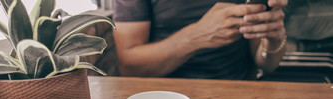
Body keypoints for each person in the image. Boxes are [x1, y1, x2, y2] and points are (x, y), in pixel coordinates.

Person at [113, 0, 288, 80]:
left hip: (237, 95)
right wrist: (196, 36)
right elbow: (129, 67)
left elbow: (266, 64)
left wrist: (274, 39)